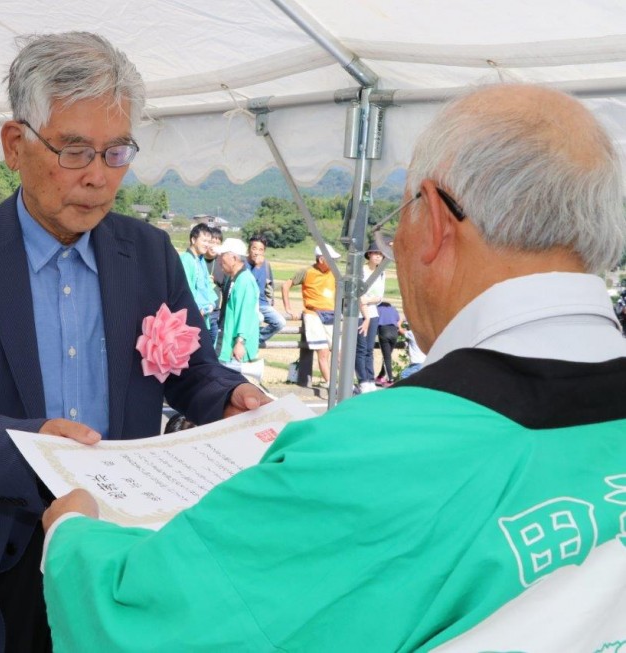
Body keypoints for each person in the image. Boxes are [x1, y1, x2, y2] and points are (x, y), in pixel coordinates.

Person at [40, 83, 626, 651]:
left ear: (437, 222)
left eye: (402, 212)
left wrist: (70, 536)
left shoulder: (374, 454)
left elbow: (148, 618)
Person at [0, 31, 268, 653]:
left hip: (113, 552)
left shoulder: (146, 254)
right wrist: (38, 451)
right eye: (74, 151)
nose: (96, 177)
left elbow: (190, 369)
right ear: (16, 145)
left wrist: (228, 396)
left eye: (116, 152)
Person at [279, 244, 341, 386]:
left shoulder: (335, 273)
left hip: (331, 313)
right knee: (323, 351)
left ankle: (344, 383)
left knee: (339, 351)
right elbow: (285, 285)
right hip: (313, 313)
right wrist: (288, 308)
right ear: (321, 260)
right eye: (331, 260)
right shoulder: (306, 272)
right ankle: (331, 384)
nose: (333, 263)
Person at [214, 238, 260, 369]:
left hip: (235, 347)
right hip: (227, 340)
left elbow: (246, 313)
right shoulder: (234, 278)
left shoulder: (245, 281)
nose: (219, 260)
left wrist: (240, 342)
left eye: (222, 256)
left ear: (233, 258)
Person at [354, 246, 385, 393]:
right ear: (369, 255)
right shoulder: (361, 271)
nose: (378, 257)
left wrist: (369, 300)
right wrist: (365, 304)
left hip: (373, 313)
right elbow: (358, 295)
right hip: (360, 314)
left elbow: (380, 297)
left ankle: (371, 379)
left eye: (381, 254)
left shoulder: (381, 273)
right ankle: (363, 380)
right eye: (376, 254)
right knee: (360, 348)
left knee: (369, 349)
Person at [246, 235, 286, 346]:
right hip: (248, 303)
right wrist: (257, 267)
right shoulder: (243, 264)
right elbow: (249, 285)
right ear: (249, 249)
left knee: (280, 322)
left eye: (261, 250)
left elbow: (269, 285)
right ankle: (250, 343)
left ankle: (254, 341)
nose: (257, 252)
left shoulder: (266, 264)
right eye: (254, 248)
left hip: (262, 303)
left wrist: (271, 302)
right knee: (259, 318)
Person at [178, 223, 218, 337]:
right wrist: (198, 309)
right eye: (204, 240)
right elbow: (187, 289)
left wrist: (211, 304)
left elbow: (207, 286)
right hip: (192, 316)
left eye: (208, 242)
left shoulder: (200, 260)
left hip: (203, 314)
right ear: (193, 239)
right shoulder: (186, 259)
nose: (207, 245)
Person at [204, 226, 225, 347]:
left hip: (215, 312)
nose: (214, 246)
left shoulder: (222, 263)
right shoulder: (198, 260)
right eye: (212, 242)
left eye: (218, 243)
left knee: (212, 347)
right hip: (201, 311)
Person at [375, 301, 400, 386]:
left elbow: (375, 320)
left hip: (384, 331)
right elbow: (398, 319)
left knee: (387, 357)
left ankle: (390, 380)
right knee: (387, 356)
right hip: (394, 332)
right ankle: (380, 376)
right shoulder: (393, 309)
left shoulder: (378, 309)